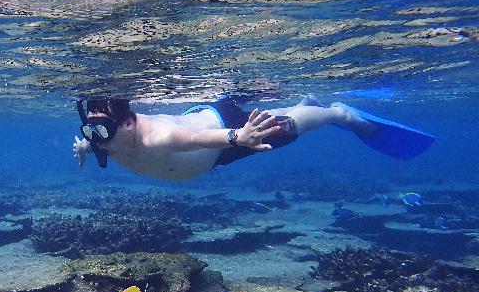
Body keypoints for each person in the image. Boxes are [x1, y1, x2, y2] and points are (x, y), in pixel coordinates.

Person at [72, 96, 435, 182]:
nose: (97, 140)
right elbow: (96, 137)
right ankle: (302, 103)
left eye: (102, 132)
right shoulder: (108, 140)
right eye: (91, 132)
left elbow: (197, 136)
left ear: (131, 124)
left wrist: (238, 136)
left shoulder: (158, 138)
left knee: (286, 128)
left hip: (222, 130)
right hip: (213, 148)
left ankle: (335, 113)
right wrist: (86, 144)